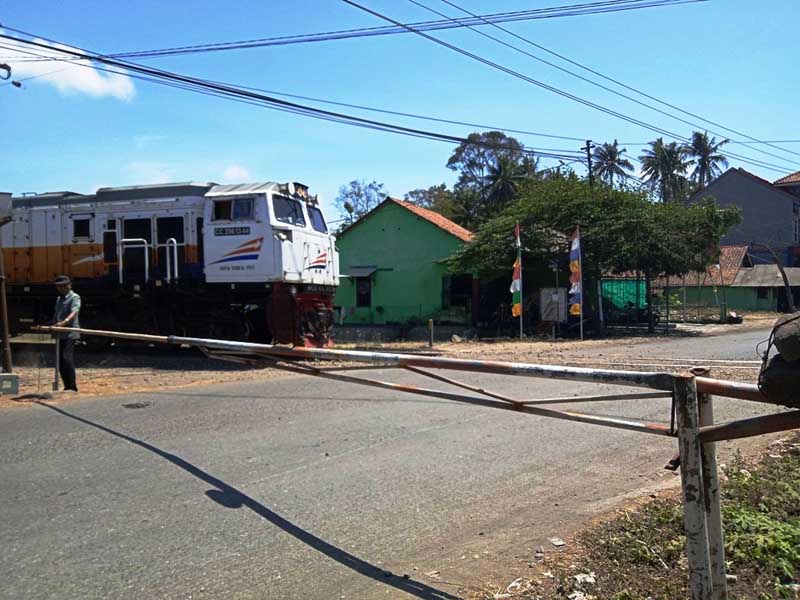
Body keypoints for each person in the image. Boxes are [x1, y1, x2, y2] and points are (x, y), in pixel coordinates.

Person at [53, 275, 81, 392]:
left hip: (70, 333)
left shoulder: (75, 297)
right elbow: (56, 314)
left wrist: (64, 322)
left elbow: (74, 311)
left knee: (66, 357)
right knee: (60, 360)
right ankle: (66, 386)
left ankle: (72, 387)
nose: (62, 288)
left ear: (70, 285)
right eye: (59, 286)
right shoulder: (59, 299)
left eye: (64, 286)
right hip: (60, 334)